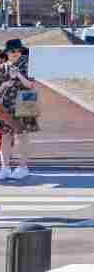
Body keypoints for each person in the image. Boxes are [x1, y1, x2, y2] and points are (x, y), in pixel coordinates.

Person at [0, 39, 43, 180]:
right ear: (7, 53)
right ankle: (5, 167)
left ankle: (23, 167)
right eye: (13, 51)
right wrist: (6, 84)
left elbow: (30, 85)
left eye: (18, 51)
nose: (16, 53)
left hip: (26, 100)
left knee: (22, 136)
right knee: (6, 135)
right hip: (7, 102)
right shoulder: (3, 67)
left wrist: (17, 74)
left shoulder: (28, 65)